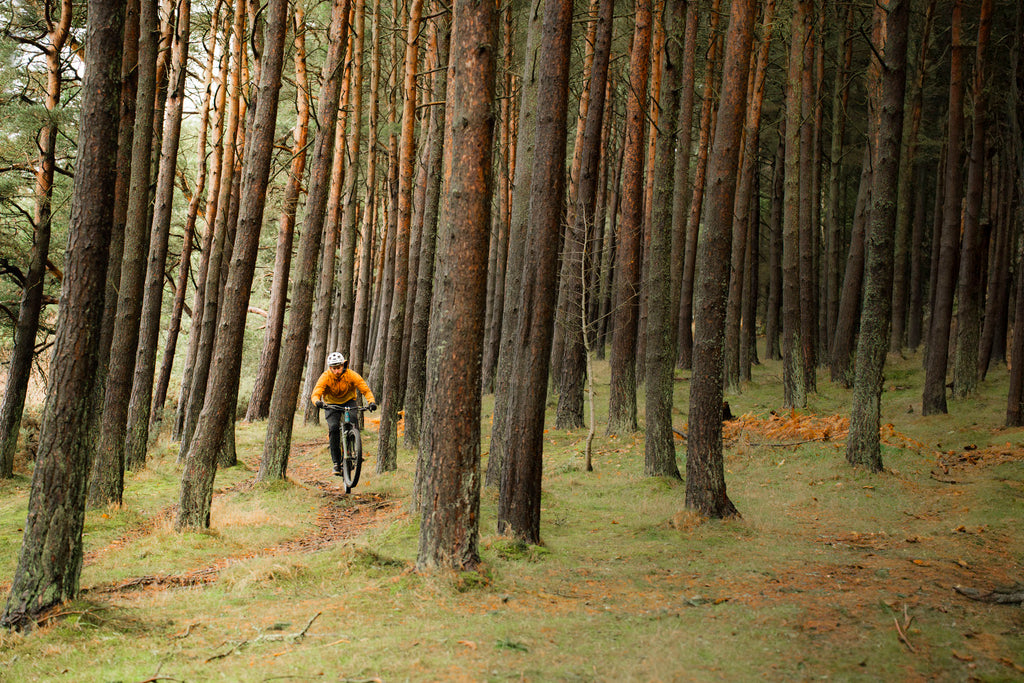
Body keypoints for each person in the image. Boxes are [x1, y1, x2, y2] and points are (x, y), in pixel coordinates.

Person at [310, 352, 377, 476]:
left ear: (343, 365)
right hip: (331, 404)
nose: (337, 371)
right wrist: (317, 402)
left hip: (349, 401)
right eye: (334, 368)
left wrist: (371, 402)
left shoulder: (351, 375)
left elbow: (365, 389)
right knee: (334, 428)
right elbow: (316, 392)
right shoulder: (325, 376)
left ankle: (355, 450)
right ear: (330, 368)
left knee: (353, 423)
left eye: (339, 367)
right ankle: (336, 463)